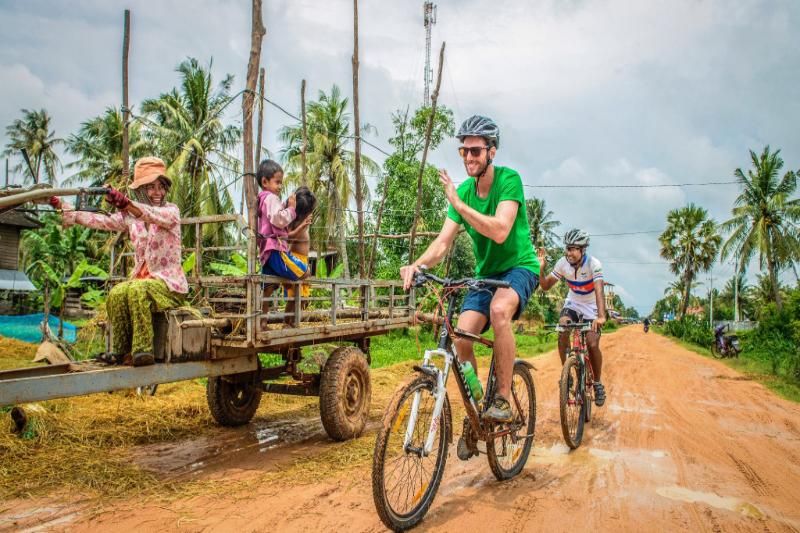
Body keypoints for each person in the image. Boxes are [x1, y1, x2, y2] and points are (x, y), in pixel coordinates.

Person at [400, 115, 540, 423]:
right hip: (485, 274)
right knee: (462, 337)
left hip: (519, 268)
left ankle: (502, 399)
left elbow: (501, 230)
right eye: (464, 151)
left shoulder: (509, 180)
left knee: (500, 311)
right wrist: (417, 265)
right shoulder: (462, 191)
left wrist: (460, 206)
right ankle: (478, 411)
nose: (468, 157)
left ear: (492, 152)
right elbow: (442, 244)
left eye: (475, 151)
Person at [49, 157, 188, 367]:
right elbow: (101, 220)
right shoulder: (131, 218)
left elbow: (149, 214)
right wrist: (64, 207)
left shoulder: (171, 212)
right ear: (140, 190)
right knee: (116, 292)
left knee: (136, 290)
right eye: (150, 187)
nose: (157, 192)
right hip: (142, 281)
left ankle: (143, 350)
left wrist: (126, 204)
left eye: (161, 187)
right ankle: (121, 351)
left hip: (169, 285)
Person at [537, 229, 607, 406]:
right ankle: (567, 375)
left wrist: (601, 316)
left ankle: (597, 383)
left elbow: (599, 290)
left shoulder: (594, 264)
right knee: (562, 330)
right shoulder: (562, 264)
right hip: (573, 304)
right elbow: (545, 286)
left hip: (591, 307)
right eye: (567, 248)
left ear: (582, 250)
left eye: (573, 249)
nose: (569, 253)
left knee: (592, 343)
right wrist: (540, 268)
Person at [255, 159, 308, 328]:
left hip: (267, 252)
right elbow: (278, 219)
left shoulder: (261, 199)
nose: (280, 187)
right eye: (277, 182)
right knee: (305, 273)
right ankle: (290, 320)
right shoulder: (271, 198)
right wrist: (291, 209)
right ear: (265, 182)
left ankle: (262, 322)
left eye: (281, 183)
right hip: (276, 250)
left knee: (267, 289)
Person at [283, 186, 316, 324]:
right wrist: (302, 225)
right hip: (295, 260)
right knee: (294, 298)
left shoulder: (302, 220)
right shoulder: (293, 221)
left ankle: (291, 322)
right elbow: (287, 239)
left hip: (302, 260)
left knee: (303, 299)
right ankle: (288, 322)